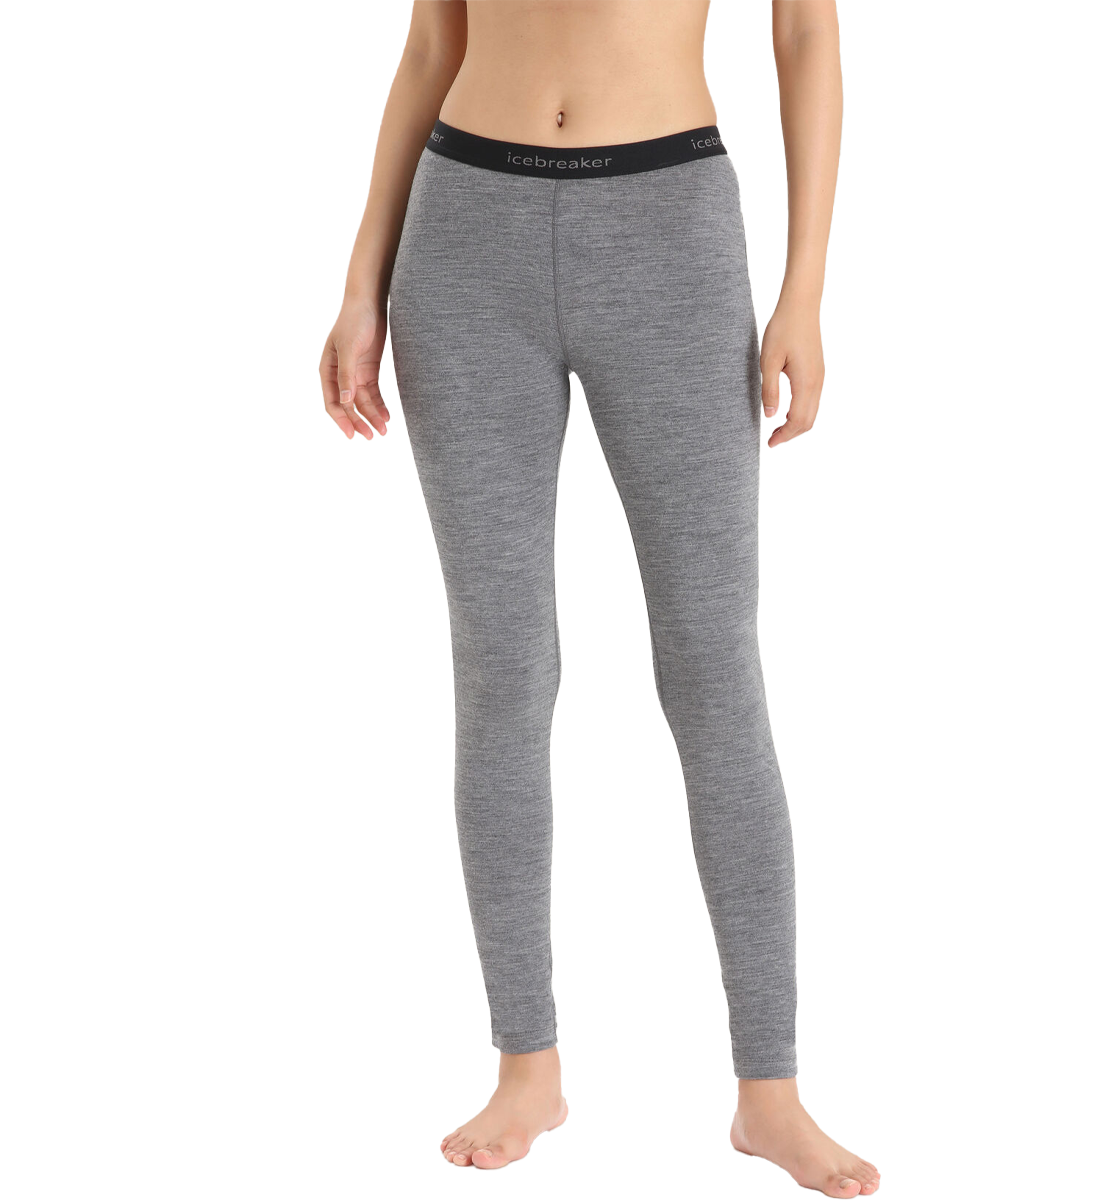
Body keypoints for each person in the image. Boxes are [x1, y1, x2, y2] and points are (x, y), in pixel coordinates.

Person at [319, 1, 878, 1195]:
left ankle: (770, 1090)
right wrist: (363, 279)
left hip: (668, 224)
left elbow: (807, 32)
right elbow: (430, 42)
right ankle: (527, 1065)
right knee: (503, 669)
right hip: (464, 236)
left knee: (713, 672)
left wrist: (807, 286)